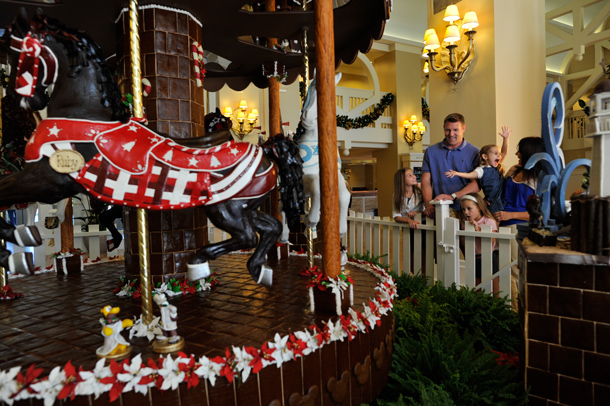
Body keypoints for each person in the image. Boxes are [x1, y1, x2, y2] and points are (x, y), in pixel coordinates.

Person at [492, 136, 545, 303]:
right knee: (498, 270)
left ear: (529, 153)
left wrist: (511, 215)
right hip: (499, 225)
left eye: (520, 150)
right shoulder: (514, 170)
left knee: (513, 270)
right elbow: (499, 192)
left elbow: (540, 212)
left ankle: (516, 312)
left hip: (519, 228)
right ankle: (502, 308)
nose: (517, 153)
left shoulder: (540, 178)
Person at [421, 113, 480, 219]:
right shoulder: (430, 151)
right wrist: (428, 204)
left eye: (455, 130)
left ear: (464, 128)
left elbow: (476, 185)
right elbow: (426, 181)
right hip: (438, 209)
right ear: (443, 128)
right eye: (448, 130)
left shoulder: (475, 152)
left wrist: (452, 196)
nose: (451, 134)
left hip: (465, 211)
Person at [445, 126, 512, 215]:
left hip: (504, 199)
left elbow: (504, 151)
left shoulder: (496, 165)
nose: (499, 156)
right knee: (495, 222)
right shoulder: (481, 170)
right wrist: (457, 173)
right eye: (496, 154)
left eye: (499, 154)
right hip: (493, 202)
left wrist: (505, 138)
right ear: (485, 156)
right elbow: (470, 175)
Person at [459, 193, 499, 292]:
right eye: (464, 209)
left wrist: (477, 229)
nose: (466, 212)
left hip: (488, 258)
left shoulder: (489, 221)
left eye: (469, 208)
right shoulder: (465, 223)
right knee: (477, 287)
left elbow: (490, 243)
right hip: (473, 259)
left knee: (494, 287)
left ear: (479, 207)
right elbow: (464, 243)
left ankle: (497, 306)